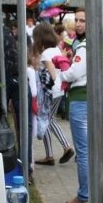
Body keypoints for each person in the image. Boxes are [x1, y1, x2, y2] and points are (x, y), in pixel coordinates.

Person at [33, 23, 74, 166]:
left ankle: (65, 146)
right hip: (59, 90)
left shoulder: (45, 53)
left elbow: (51, 70)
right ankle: (50, 154)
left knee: (47, 120)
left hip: (51, 91)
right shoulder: (56, 49)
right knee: (47, 119)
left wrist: (52, 79)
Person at [61, 9, 90, 203]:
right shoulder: (99, 43)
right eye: (77, 20)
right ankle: (90, 193)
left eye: (83, 21)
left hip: (81, 100)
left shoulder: (85, 46)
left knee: (83, 152)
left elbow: (74, 73)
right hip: (92, 99)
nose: (79, 24)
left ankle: (84, 196)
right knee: (89, 151)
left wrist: (60, 74)